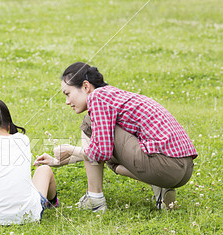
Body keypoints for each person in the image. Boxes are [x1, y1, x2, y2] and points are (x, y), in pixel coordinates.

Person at [34, 62, 197, 212]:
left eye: (68, 94)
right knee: (109, 154)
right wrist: (60, 160)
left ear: (85, 86)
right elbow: (104, 151)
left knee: (89, 124)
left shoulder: (97, 97)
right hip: (184, 169)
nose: (67, 101)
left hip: (163, 165)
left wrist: (70, 150)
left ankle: (94, 198)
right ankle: (160, 188)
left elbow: (100, 151)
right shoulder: (113, 95)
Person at [0, 97, 58, 225]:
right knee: (44, 170)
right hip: (29, 214)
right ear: (8, 124)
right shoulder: (23, 140)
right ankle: (53, 201)